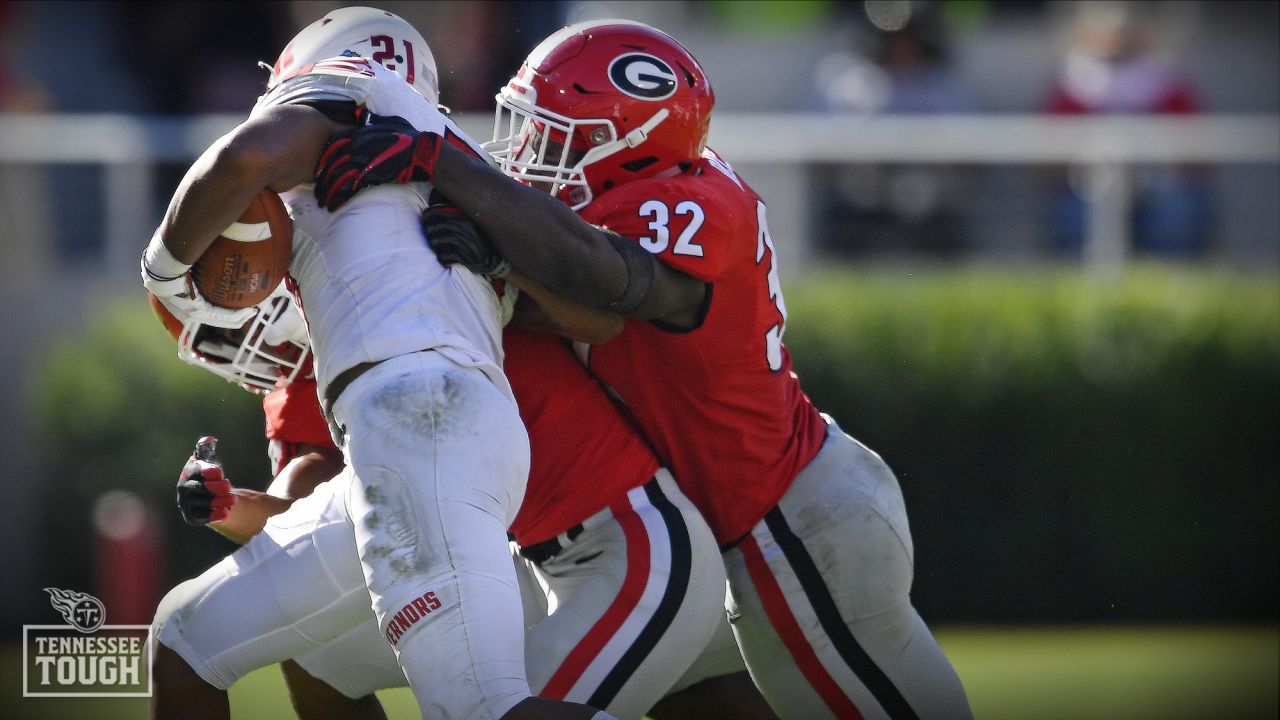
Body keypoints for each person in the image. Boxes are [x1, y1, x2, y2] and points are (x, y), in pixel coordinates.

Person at [315, 18, 974, 719]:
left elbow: (610, 278)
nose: (531, 150)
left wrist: (446, 166)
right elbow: (582, 305)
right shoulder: (644, 189)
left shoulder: (689, 205)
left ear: (624, 142)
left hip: (789, 524)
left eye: (556, 133)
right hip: (758, 524)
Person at [141, 7, 609, 720]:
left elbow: (243, 159)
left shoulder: (345, 90)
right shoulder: (460, 161)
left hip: (413, 415)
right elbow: (594, 314)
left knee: (482, 710)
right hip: (431, 430)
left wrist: (164, 268)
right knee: (186, 637)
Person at [150, 254, 732, 719]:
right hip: (532, 560)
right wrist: (233, 507)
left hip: (632, 547)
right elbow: (349, 506)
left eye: (225, 337)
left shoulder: (416, 296)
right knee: (318, 661)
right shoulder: (349, 347)